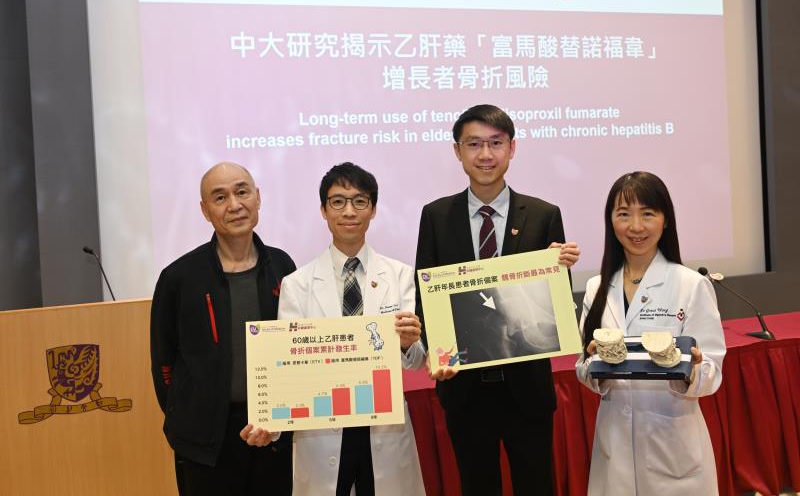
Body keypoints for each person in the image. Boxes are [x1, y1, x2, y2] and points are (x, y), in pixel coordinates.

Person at [414, 104, 580, 495]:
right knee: (477, 486)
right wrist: (436, 351)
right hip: (465, 389)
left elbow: (554, 305)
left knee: (536, 485)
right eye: (474, 144)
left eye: (495, 143)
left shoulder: (543, 215)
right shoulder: (436, 216)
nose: (485, 154)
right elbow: (426, 294)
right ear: (457, 151)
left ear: (512, 148)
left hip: (526, 388)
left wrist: (557, 270)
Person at [242, 162, 426, 496]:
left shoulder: (399, 275)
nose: (349, 211)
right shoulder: (297, 284)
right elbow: (287, 368)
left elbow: (414, 362)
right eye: (338, 202)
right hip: (322, 431)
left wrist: (407, 343)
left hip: (382, 426)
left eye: (360, 201)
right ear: (324, 210)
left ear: (373, 209)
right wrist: (271, 424)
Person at [575, 171, 726, 495]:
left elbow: (712, 372)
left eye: (647, 214)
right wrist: (594, 368)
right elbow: (583, 367)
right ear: (610, 221)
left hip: (673, 448)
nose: (636, 226)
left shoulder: (691, 284)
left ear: (665, 220)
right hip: (614, 448)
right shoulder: (596, 287)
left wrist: (693, 369)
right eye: (623, 214)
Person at [150, 162, 294, 496]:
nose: (234, 205)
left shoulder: (282, 267)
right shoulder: (179, 277)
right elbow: (164, 361)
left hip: (273, 433)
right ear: (205, 210)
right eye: (220, 197)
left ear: (258, 198)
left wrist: (279, 419)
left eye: (242, 192)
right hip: (205, 443)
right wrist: (190, 415)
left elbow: (296, 346)